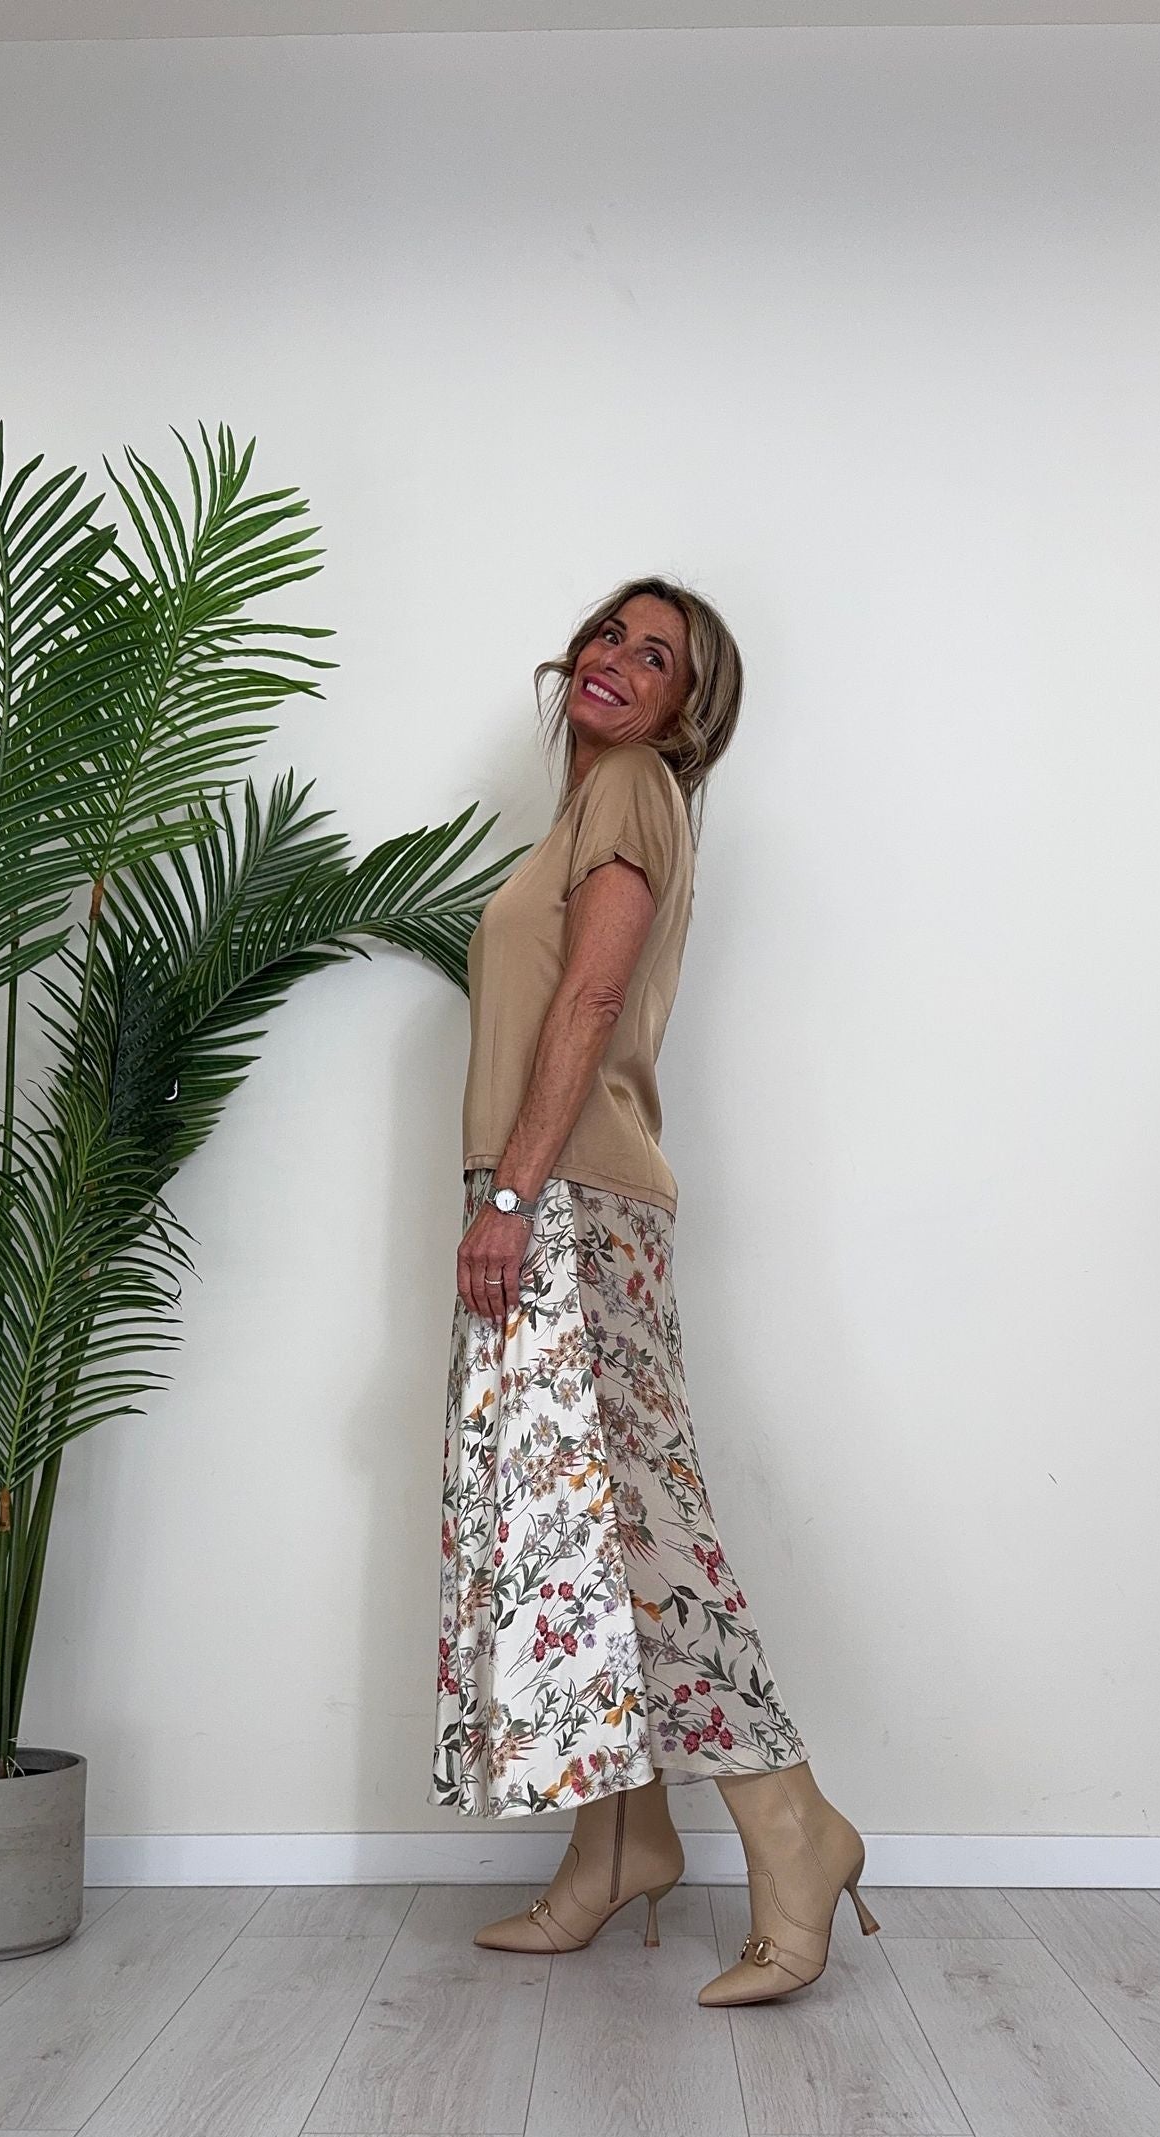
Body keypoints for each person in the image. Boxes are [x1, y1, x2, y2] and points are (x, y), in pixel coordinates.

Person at [430, 577, 879, 2006]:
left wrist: (512, 1198)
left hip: (567, 1202)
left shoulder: (630, 788)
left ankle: (795, 1831)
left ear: (689, 710)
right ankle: (618, 1848)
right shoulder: (592, 807)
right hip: (560, 1195)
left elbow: (589, 1003)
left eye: (658, 656)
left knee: (640, 1533)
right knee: (586, 1533)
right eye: (610, 635)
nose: (618, 661)